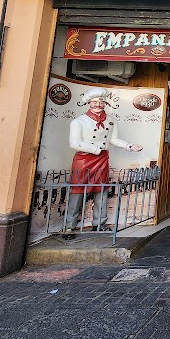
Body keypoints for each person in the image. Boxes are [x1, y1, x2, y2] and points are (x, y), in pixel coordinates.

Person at [65, 87, 143, 237]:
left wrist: (129, 146)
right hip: (83, 160)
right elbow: (75, 143)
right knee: (77, 192)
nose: (98, 104)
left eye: (101, 101)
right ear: (89, 103)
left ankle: (99, 223)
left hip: (102, 159)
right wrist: (95, 149)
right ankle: (69, 226)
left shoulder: (111, 120)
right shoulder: (79, 122)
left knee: (101, 191)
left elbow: (113, 139)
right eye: (95, 101)